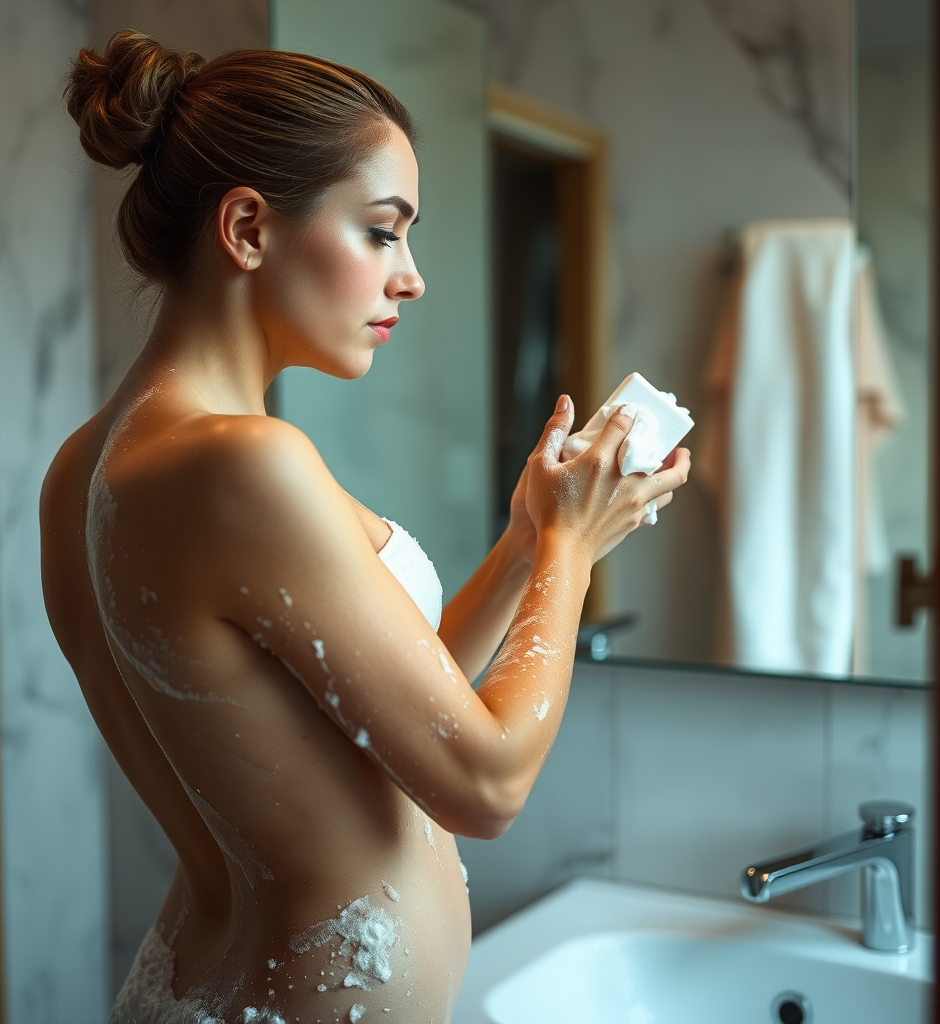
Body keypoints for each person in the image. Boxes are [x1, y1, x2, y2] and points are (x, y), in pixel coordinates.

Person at [41, 30, 691, 1023]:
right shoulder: (243, 463)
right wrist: (566, 554)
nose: (411, 276)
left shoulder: (82, 466)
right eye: (383, 231)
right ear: (249, 228)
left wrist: (526, 544)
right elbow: (483, 782)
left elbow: (370, 719)